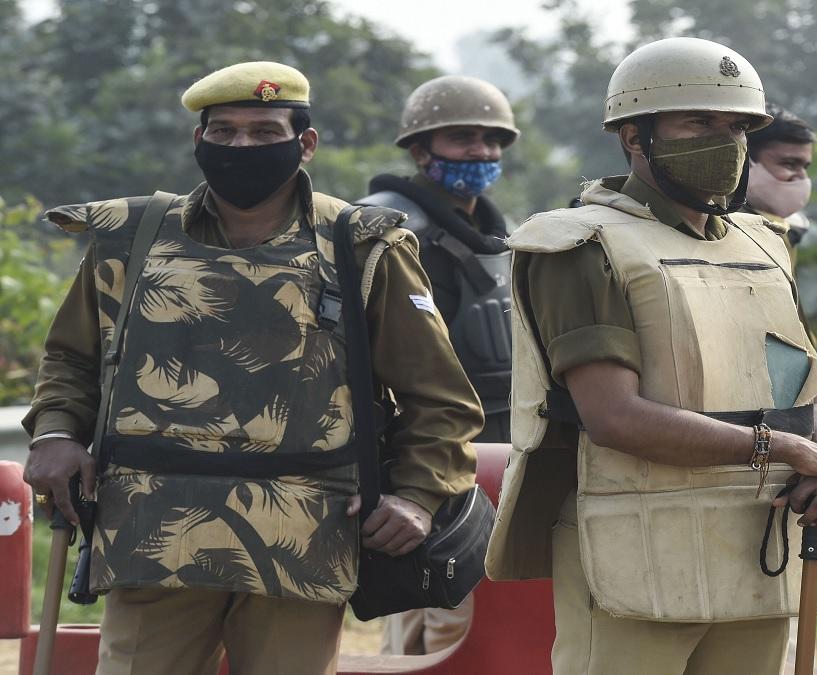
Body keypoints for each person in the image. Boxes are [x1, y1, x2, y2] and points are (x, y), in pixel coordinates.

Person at [21, 61, 483, 675]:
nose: (241, 146)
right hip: (151, 531)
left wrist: (417, 496)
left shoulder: (360, 246)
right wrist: (55, 433)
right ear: (199, 140)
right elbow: (71, 357)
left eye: (264, 132)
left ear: (304, 143)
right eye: (225, 131)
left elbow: (440, 397)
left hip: (303, 538)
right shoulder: (131, 239)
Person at [485, 37, 817, 674]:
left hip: (763, 548)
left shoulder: (763, 242)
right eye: (699, 122)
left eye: (737, 127)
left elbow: (804, 387)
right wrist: (790, 450)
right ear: (634, 136)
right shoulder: (582, 246)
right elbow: (614, 416)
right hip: (636, 548)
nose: (726, 142)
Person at [358, 74, 518, 657]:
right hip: (421, 448)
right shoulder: (382, 228)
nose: (480, 152)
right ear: (421, 150)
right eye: (463, 138)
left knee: (477, 605)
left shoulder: (497, 234)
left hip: (495, 440)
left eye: (491, 140)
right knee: (427, 606)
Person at [744, 102, 817, 266]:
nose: (802, 177)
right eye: (789, 164)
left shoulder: (788, 228)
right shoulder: (712, 224)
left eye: (805, 167)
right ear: (744, 160)